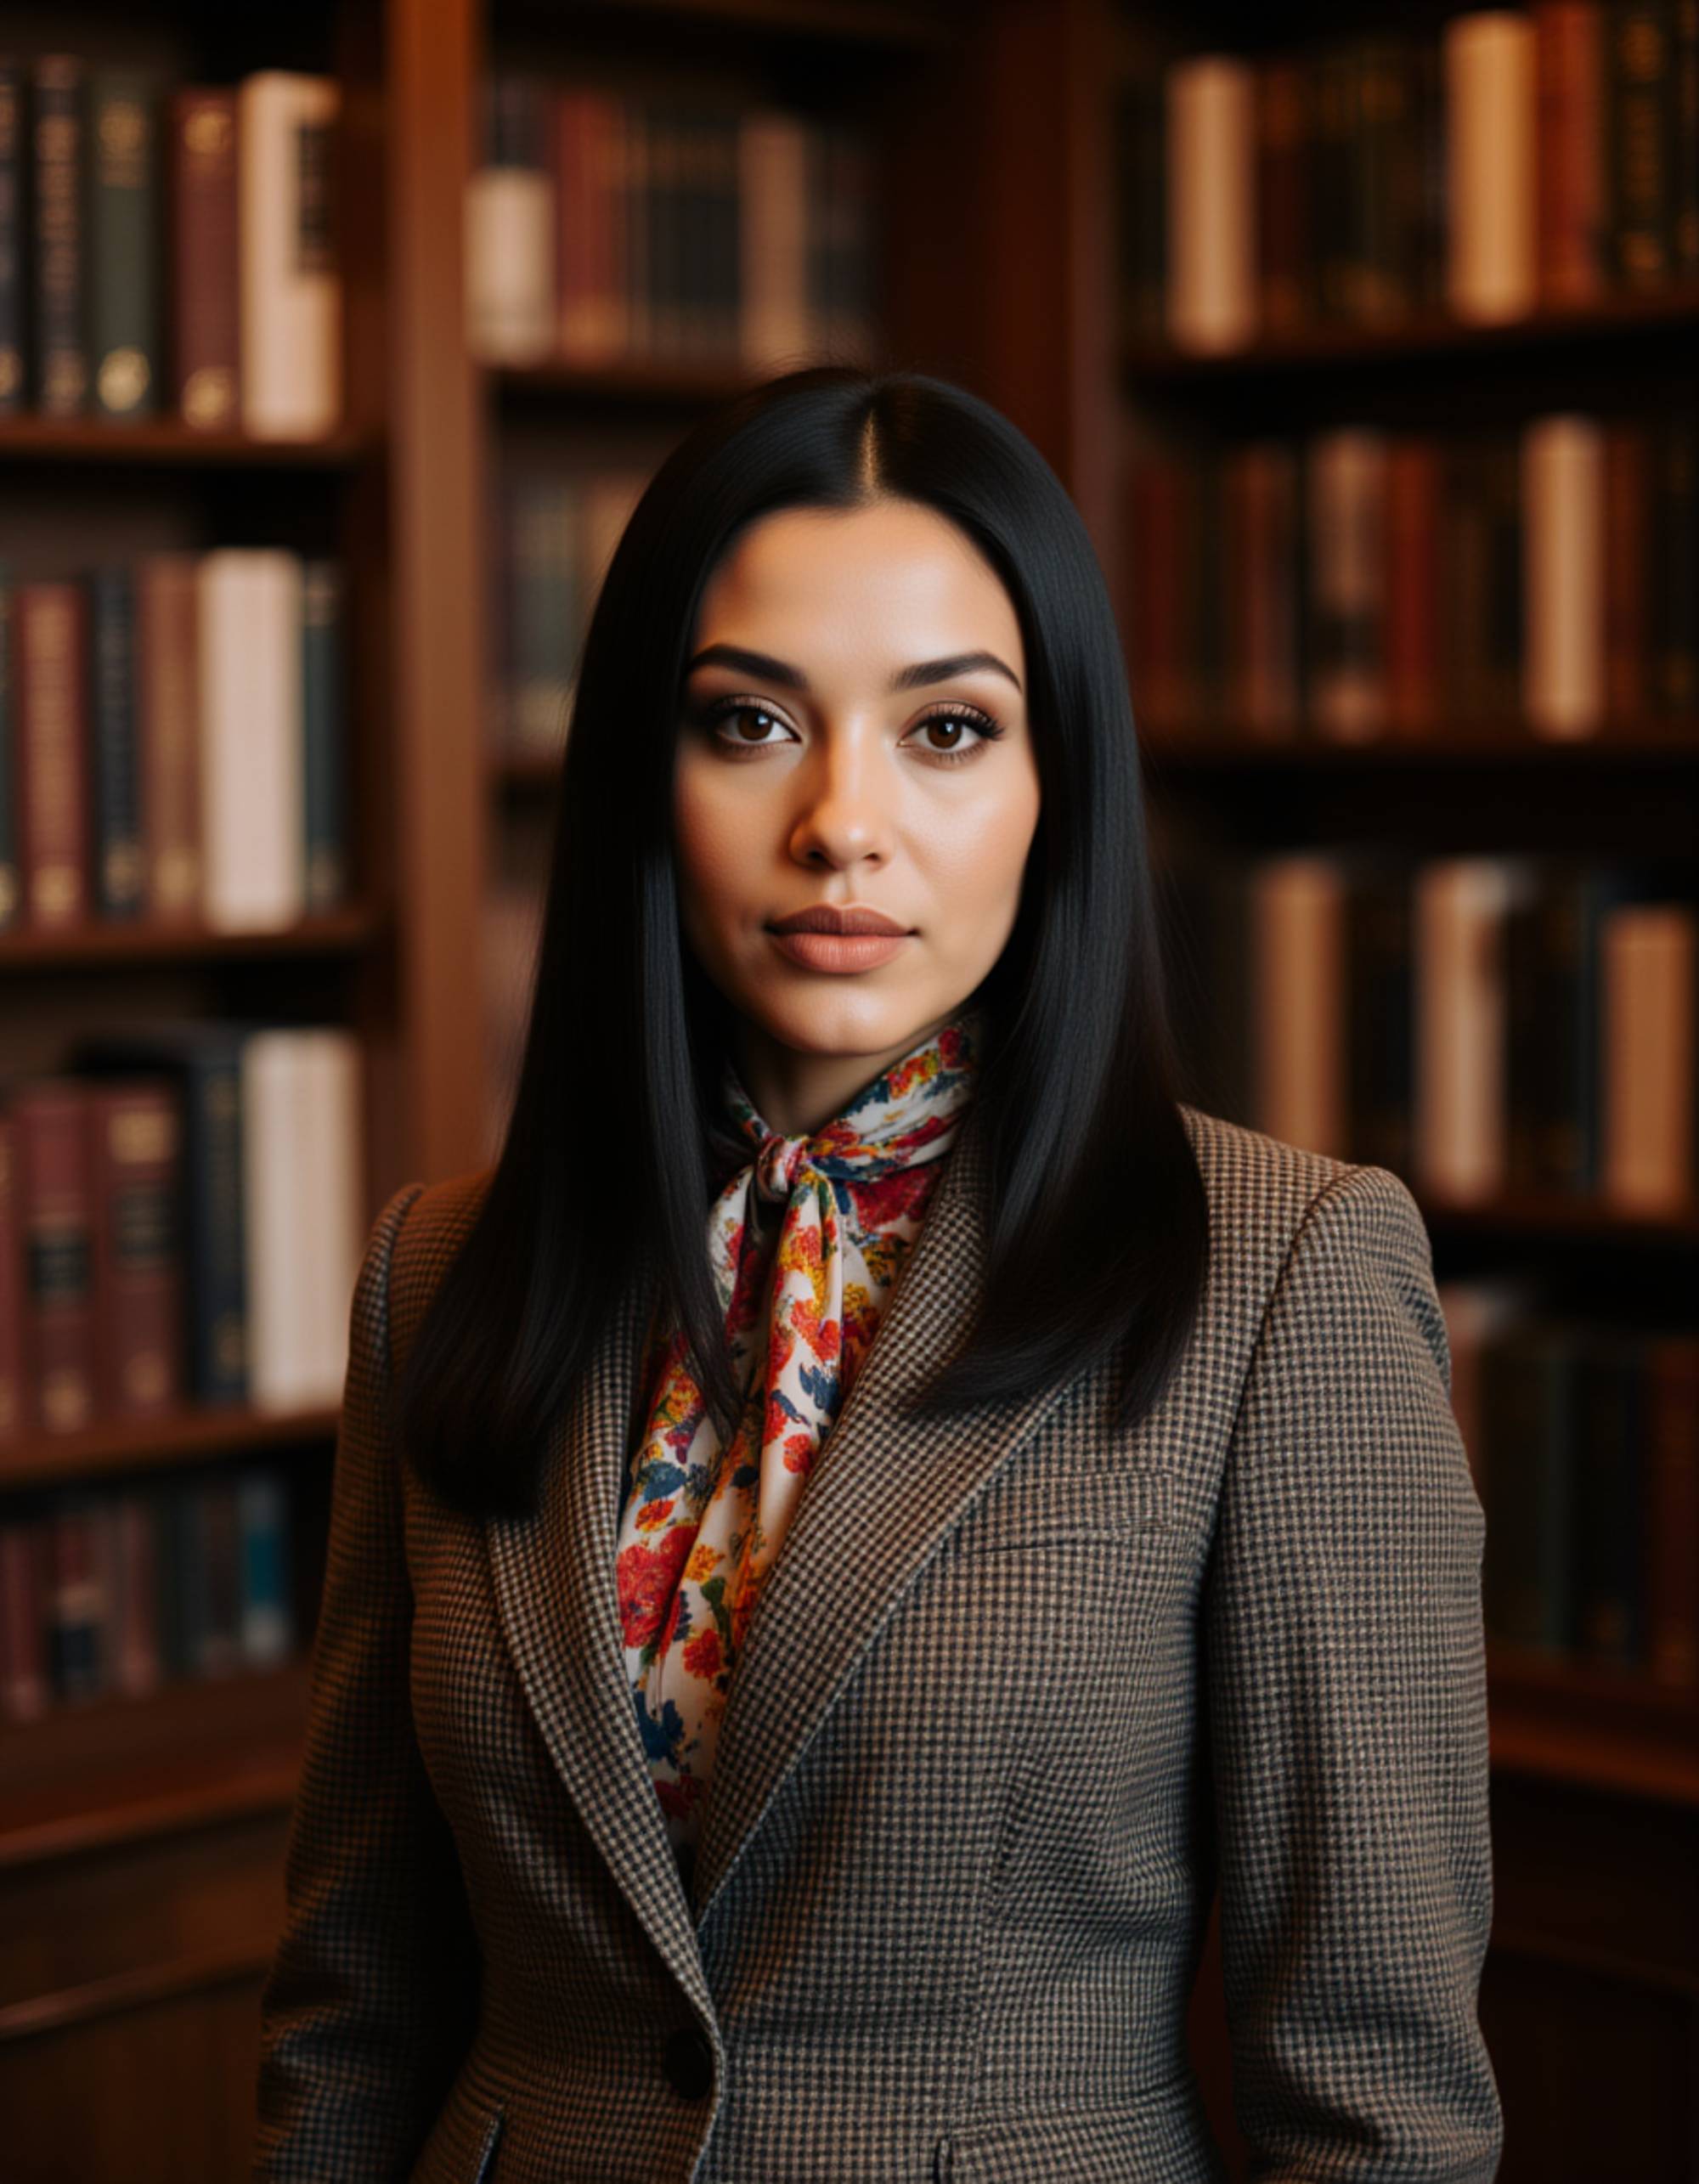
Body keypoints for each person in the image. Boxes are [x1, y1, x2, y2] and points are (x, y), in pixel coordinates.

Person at [252, 366, 1504, 2183]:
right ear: (640, 773)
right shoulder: (436, 1270)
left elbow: (1374, 2097)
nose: (841, 820)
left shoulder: (1282, 1275)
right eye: (749, 722)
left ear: (1054, 778)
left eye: (946, 731)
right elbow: (352, 2000)